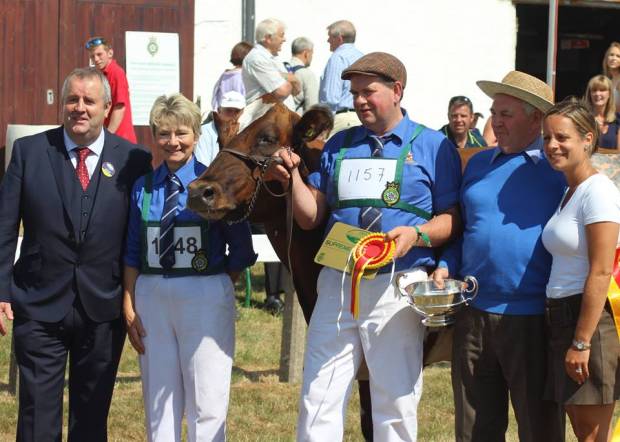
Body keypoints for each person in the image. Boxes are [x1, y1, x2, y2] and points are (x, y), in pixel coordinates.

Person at [271, 52, 462, 441]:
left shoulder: (432, 146)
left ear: (396, 91)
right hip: (338, 280)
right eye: (354, 92)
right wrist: (293, 178)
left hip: (397, 281)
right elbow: (312, 216)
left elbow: (453, 218)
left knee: (394, 397)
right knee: (319, 393)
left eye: (368, 92)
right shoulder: (339, 145)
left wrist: (418, 235)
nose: (359, 100)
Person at [0, 67, 151, 441]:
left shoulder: (134, 159)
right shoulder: (29, 152)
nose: (79, 108)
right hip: (38, 303)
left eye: (89, 101)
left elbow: (140, 237)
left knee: (91, 416)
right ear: (62, 104)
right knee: (36, 418)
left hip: (104, 306)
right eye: (72, 99)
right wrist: (1, 290)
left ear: (105, 109)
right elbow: (3, 228)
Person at [434, 71, 567, 441]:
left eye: (506, 114)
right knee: (475, 427)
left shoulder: (558, 170)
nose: (496, 121)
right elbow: (466, 229)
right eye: (494, 112)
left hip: (532, 318)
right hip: (472, 313)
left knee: (538, 427)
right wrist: (447, 263)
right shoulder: (477, 164)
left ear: (535, 119)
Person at [122, 93, 256, 441]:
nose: (173, 142)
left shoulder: (216, 184)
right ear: (155, 137)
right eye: (164, 134)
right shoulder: (143, 187)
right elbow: (133, 250)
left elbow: (242, 247)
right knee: (158, 399)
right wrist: (129, 302)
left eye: (181, 133)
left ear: (196, 134)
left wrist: (216, 286)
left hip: (204, 290)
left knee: (206, 398)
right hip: (151, 295)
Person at [542, 99, 620, 442]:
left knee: (590, 437)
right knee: (582, 431)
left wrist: (581, 341)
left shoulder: (598, 191)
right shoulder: (570, 191)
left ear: (588, 139)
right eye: (546, 138)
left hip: (588, 321)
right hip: (562, 315)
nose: (551, 146)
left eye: (562, 137)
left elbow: (601, 271)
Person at [86, 36, 137, 143]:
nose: (96, 59)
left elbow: (120, 107)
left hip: (120, 138)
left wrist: (108, 136)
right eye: (92, 56)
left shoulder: (116, 73)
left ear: (110, 53)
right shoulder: (100, 75)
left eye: (99, 54)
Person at [242, 18, 300, 110]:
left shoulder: (272, 57)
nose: (284, 39)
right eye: (281, 35)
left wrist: (290, 79)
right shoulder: (257, 58)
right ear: (268, 38)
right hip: (265, 120)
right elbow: (283, 91)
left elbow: (296, 91)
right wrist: (291, 78)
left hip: (279, 119)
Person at [319, 20, 364, 136]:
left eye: (330, 37)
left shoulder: (337, 58)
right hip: (361, 117)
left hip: (342, 120)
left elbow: (331, 97)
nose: (327, 40)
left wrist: (323, 124)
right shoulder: (363, 57)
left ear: (339, 38)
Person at [196, 90, 246, 165]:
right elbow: (203, 165)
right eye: (228, 110)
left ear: (242, 112)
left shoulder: (245, 132)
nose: (232, 115)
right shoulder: (204, 132)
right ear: (219, 110)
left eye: (237, 111)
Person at [211, 41, 253, 111]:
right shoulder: (245, 77)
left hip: (223, 116)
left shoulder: (223, 77)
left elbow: (215, 101)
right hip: (241, 117)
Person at [583, 74, 620, 149]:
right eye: (594, 90)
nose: (597, 93)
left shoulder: (618, 120)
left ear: (609, 94)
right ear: (589, 94)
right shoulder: (583, 118)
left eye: (602, 90)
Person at [286, 37, 319, 114]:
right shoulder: (307, 74)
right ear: (306, 54)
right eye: (312, 53)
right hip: (296, 122)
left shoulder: (282, 68)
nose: (312, 57)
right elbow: (312, 107)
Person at [602, 41, 620, 112]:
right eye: (611, 55)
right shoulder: (607, 80)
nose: (614, 58)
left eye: (618, 56)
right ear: (606, 58)